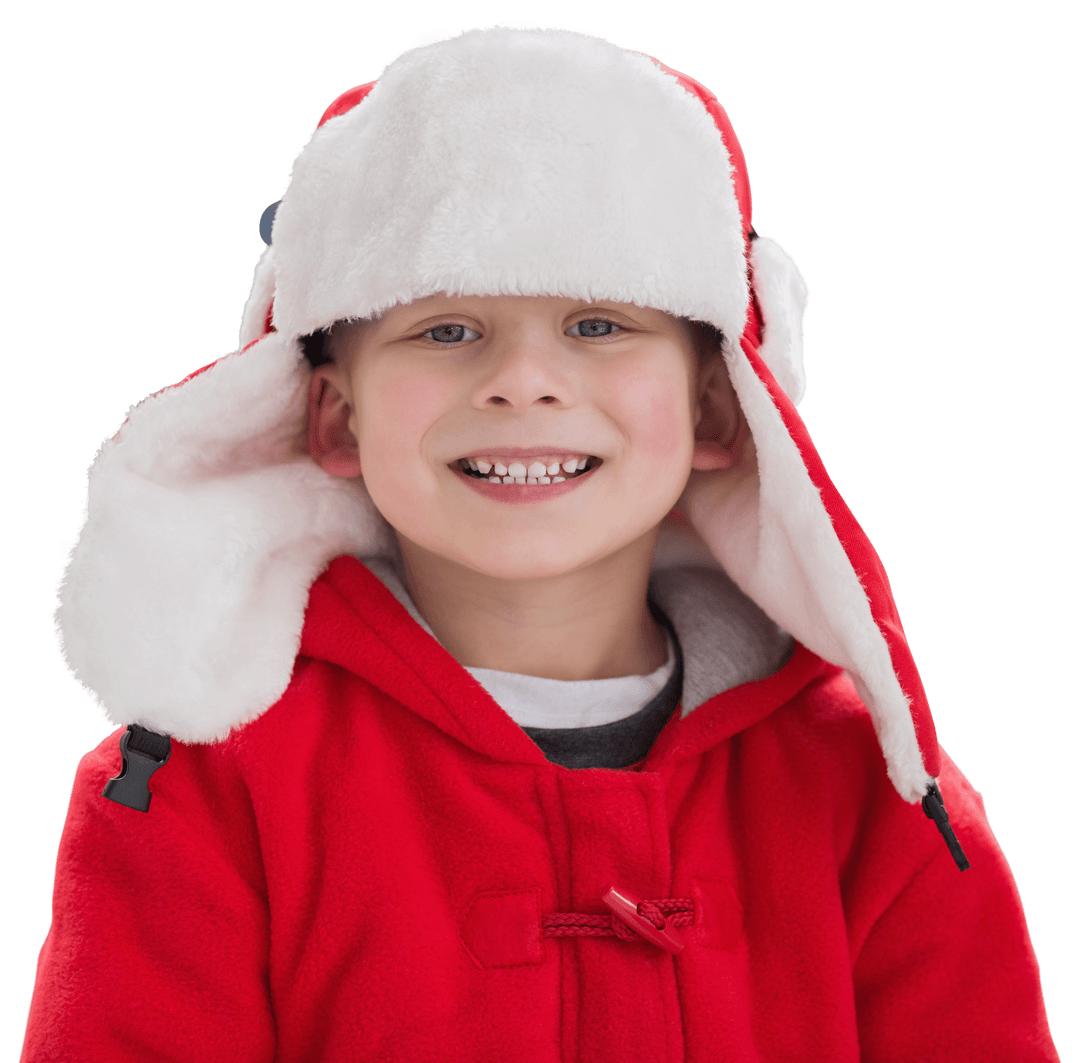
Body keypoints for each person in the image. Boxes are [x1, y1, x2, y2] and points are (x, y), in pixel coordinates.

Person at [21, 22, 1058, 1062]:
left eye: (599, 325)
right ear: (333, 417)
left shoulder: (867, 793)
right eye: (446, 328)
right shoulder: (205, 786)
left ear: (715, 406)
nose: (524, 379)